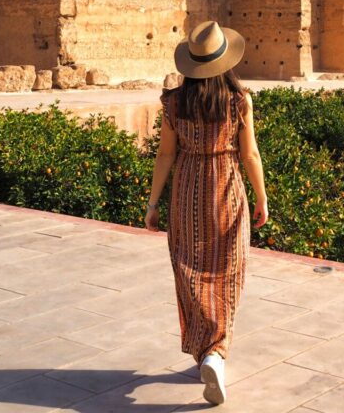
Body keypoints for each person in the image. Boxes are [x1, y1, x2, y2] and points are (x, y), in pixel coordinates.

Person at [145, 20, 268, 406]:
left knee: (191, 268)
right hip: (226, 187)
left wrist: (152, 203)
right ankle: (215, 351)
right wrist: (262, 197)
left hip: (186, 189)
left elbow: (166, 154)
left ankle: (206, 349)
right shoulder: (239, 100)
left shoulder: (173, 102)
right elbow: (249, 154)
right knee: (227, 270)